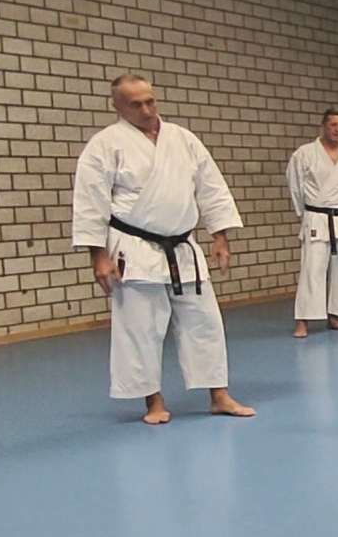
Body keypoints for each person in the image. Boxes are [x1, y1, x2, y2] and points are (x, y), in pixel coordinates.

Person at [71, 74, 254, 424]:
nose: (145, 109)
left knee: (206, 322)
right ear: (117, 106)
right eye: (135, 104)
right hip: (134, 248)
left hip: (183, 246)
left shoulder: (182, 139)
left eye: (150, 101)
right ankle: (153, 403)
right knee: (141, 327)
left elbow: (210, 187)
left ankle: (219, 395)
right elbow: (90, 201)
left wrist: (220, 235)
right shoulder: (105, 144)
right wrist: (99, 254)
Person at [286, 108, 338, 338]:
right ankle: (303, 321)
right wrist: (306, 212)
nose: (337, 129)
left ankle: (336, 316)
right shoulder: (305, 154)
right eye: (333, 125)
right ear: (323, 125)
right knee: (312, 269)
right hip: (317, 217)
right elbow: (294, 185)